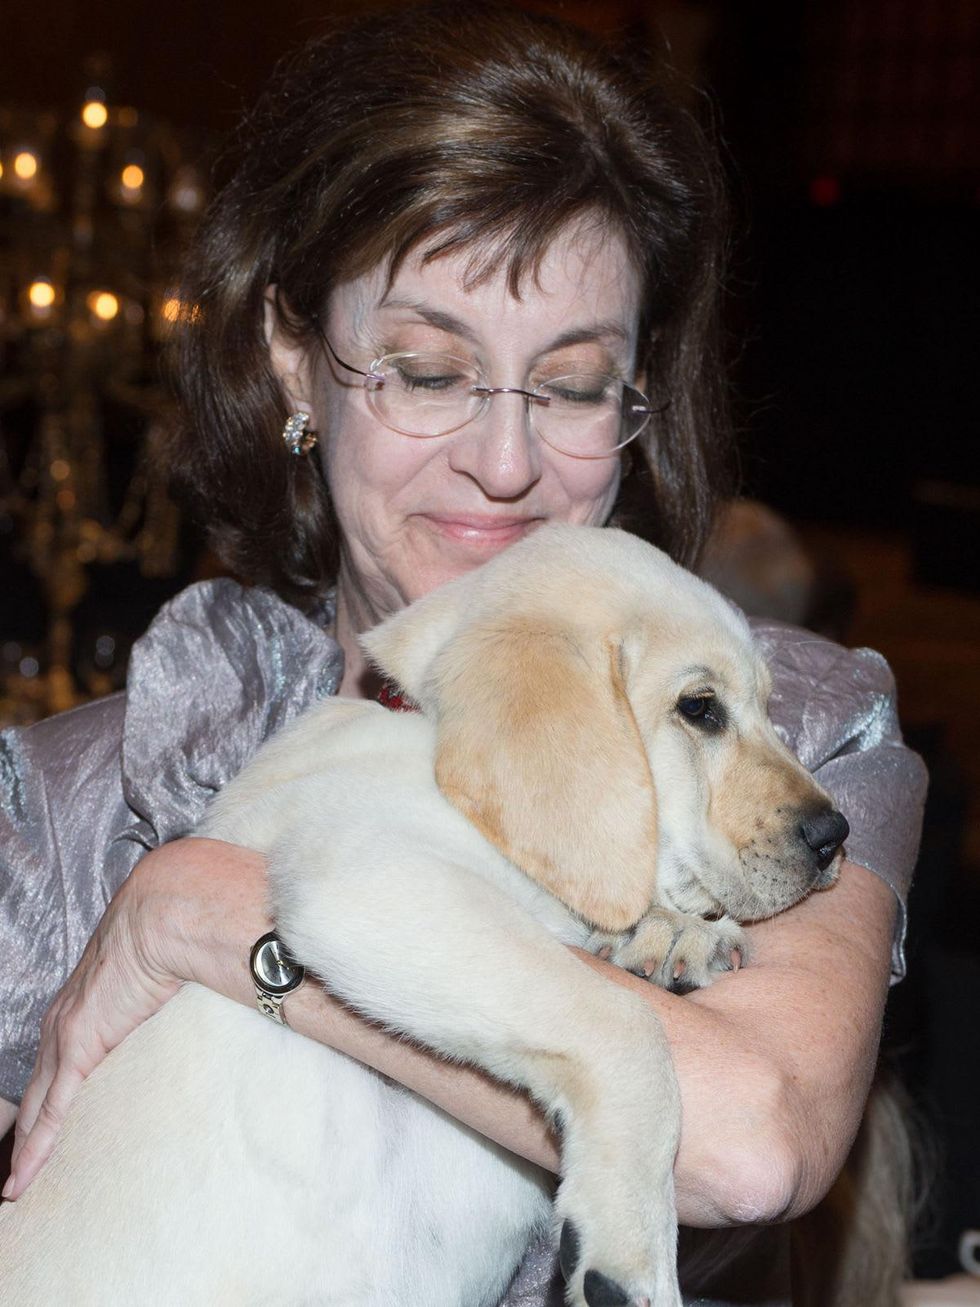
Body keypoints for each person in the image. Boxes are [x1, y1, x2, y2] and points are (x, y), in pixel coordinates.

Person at [0, 5, 926, 1303]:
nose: (504, 464)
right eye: (428, 372)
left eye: (572, 383)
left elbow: (751, 1145)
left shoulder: (786, 723)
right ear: (291, 359)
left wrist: (224, 920)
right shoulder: (61, 811)